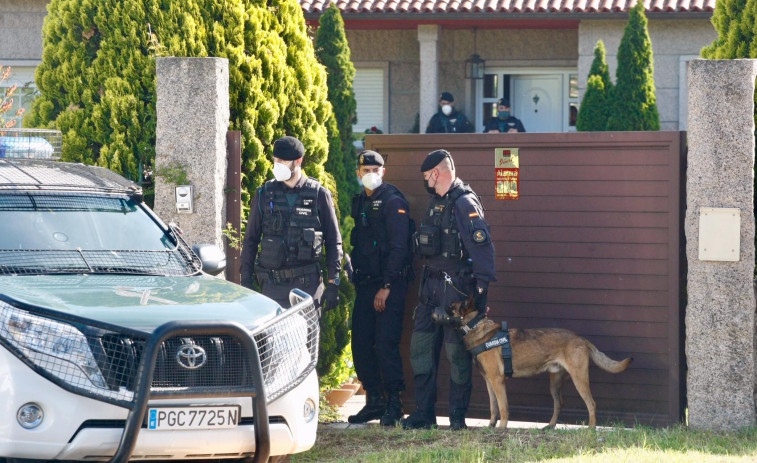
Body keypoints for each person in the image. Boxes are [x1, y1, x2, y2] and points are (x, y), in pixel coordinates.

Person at [400, 149, 496, 431]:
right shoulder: (435, 202)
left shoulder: (464, 203)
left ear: (437, 174)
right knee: (421, 352)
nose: (425, 182)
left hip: (456, 293)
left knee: (457, 356)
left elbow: (482, 248)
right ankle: (424, 413)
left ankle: (456, 417)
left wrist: (480, 296)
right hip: (430, 291)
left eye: (427, 177)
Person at [347, 150, 413, 426]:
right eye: (366, 169)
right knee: (360, 344)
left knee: (386, 344)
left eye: (377, 168)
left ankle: (394, 403)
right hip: (365, 284)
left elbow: (400, 248)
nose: (371, 173)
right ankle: (374, 400)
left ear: (383, 171)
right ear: (358, 173)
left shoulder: (393, 201)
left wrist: (386, 285)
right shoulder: (360, 201)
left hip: (389, 285)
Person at [240, 135, 343, 312]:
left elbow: (334, 241)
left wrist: (333, 282)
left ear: (298, 161)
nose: (278, 165)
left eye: (283, 161)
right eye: (276, 160)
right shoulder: (264, 194)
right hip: (273, 286)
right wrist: (246, 281)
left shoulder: (319, 195)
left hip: (307, 286)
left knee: (307, 338)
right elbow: (251, 239)